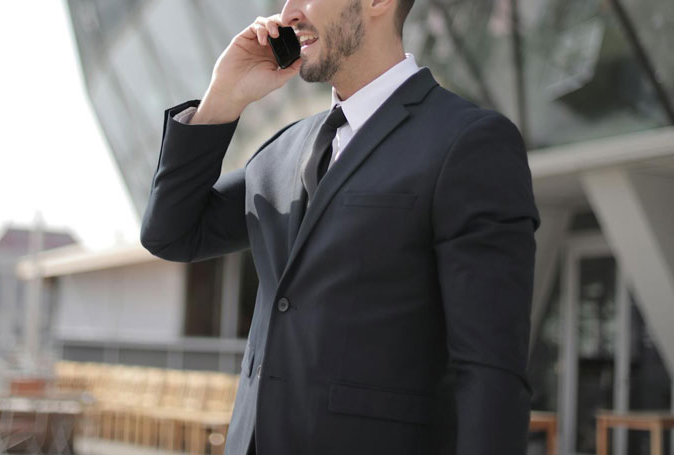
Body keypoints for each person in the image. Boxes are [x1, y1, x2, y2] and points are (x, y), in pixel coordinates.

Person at [140, 0, 541, 453]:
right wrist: (223, 99)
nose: (287, 12)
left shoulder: (469, 142)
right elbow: (171, 233)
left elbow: (490, 372)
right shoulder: (281, 151)